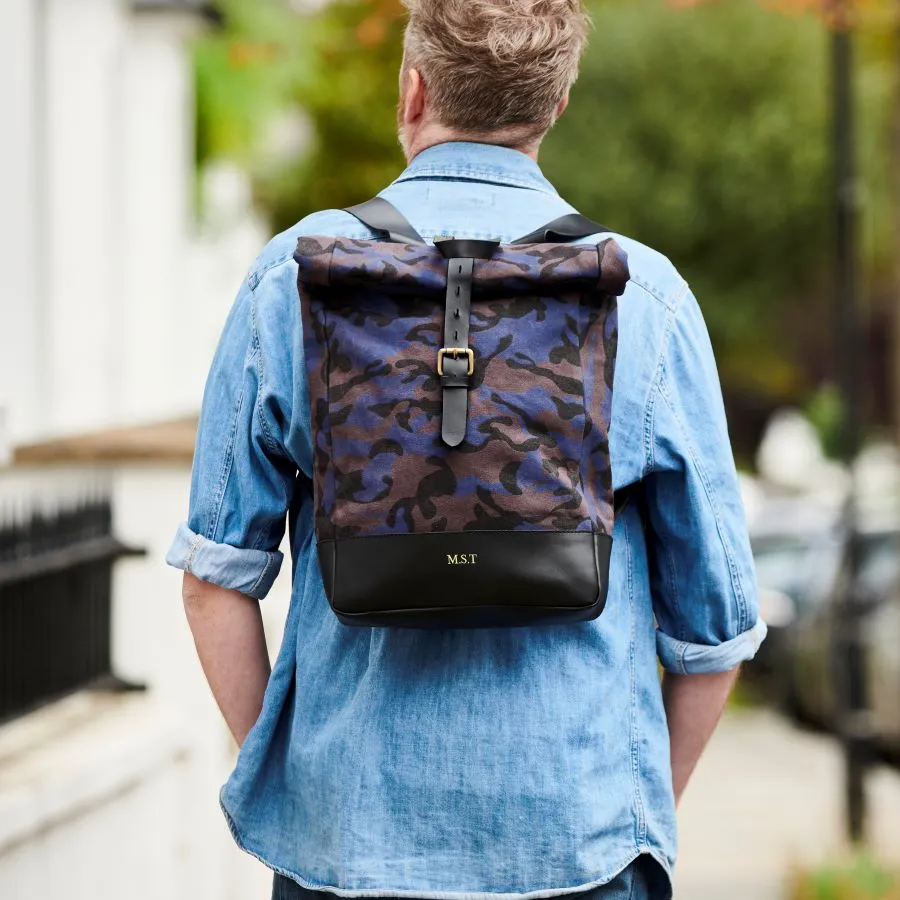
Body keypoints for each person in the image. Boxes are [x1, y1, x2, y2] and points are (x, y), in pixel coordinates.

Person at [166, 1, 766, 898]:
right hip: (582, 850)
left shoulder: (294, 275)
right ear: (555, 104)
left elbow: (216, 580)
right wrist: (633, 820)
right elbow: (712, 637)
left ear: (413, 90)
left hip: (348, 856)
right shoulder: (645, 296)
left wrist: (300, 793)